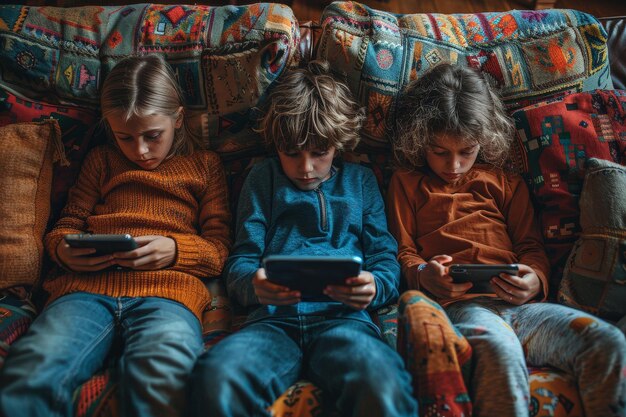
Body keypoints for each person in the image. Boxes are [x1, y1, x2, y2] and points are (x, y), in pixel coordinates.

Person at [386, 62, 626, 416]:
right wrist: (424, 275)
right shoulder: (406, 184)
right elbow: (403, 253)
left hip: (523, 308)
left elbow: (530, 247)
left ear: (483, 141)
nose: (453, 165)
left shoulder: (504, 183)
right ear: (419, 139)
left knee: (606, 342)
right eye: (440, 152)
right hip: (461, 308)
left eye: (466, 151)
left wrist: (535, 278)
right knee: (499, 349)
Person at [0, 55, 232, 417]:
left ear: (178, 119)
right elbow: (67, 224)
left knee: (163, 373)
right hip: (84, 291)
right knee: (35, 368)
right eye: (125, 137)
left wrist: (174, 250)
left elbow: (219, 250)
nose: (139, 150)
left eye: (153, 136)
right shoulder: (102, 161)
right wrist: (63, 250)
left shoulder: (204, 166)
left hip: (167, 294)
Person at [187, 60, 418, 417]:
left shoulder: (361, 182)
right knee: (216, 377)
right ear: (275, 145)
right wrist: (255, 285)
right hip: (272, 321)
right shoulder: (262, 179)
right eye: (292, 153)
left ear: (338, 145)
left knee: (382, 383)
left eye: (319, 153)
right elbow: (241, 261)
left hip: (345, 320)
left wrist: (374, 285)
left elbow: (385, 258)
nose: (306, 167)